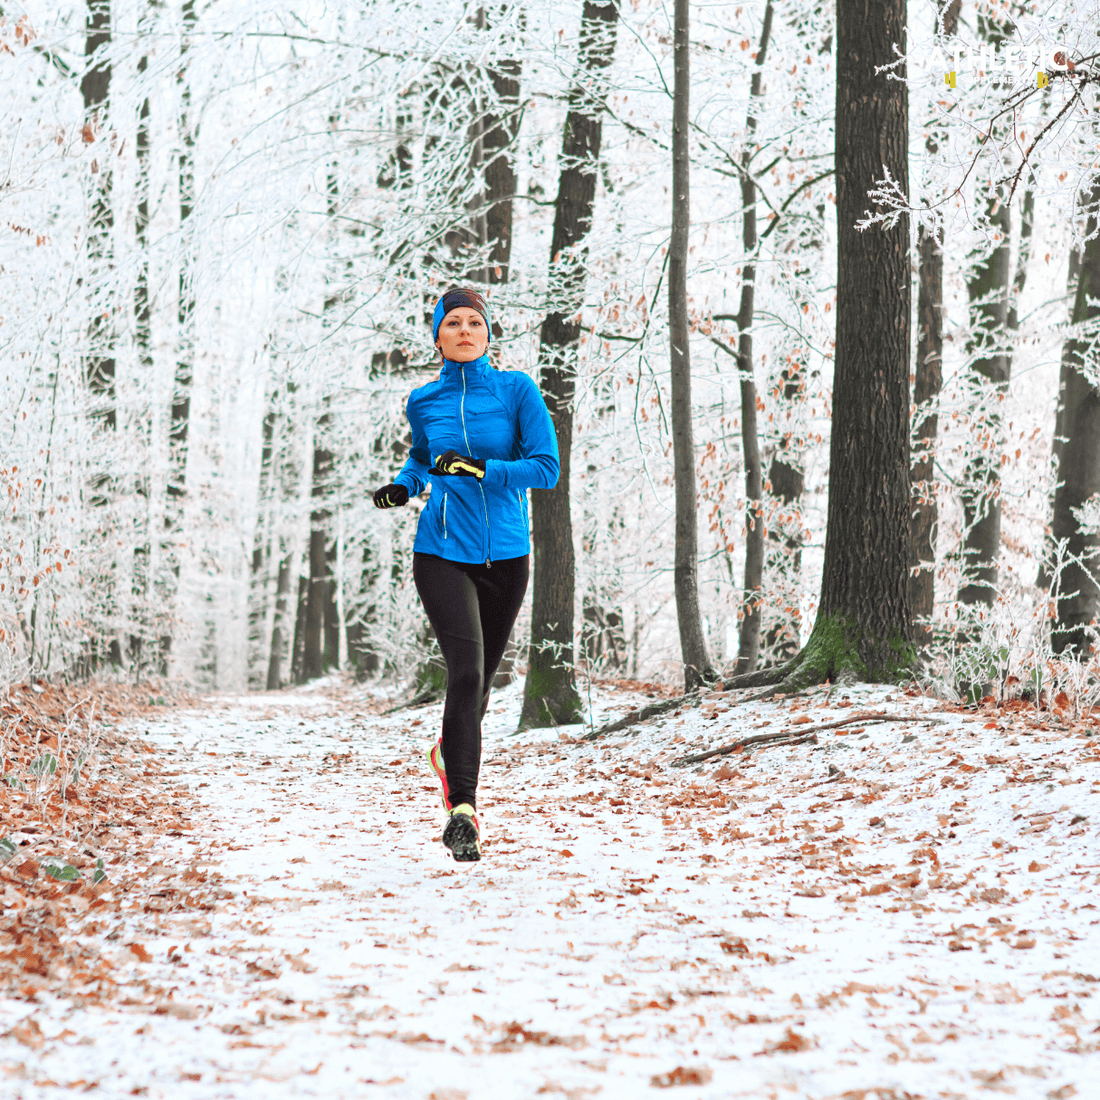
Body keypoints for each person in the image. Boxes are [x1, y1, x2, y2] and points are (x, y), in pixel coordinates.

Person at [372, 288, 559, 861]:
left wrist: (482, 468)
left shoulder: (516, 391)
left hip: (505, 555)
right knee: (467, 673)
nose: (464, 330)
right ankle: (464, 812)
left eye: (474, 322)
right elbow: (422, 458)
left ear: (487, 335)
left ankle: (448, 755)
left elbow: (545, 469)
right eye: (452, 322)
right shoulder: (423, 400)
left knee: (478, 688)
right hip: (442, 552)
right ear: (437, 337)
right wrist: (407, 485)